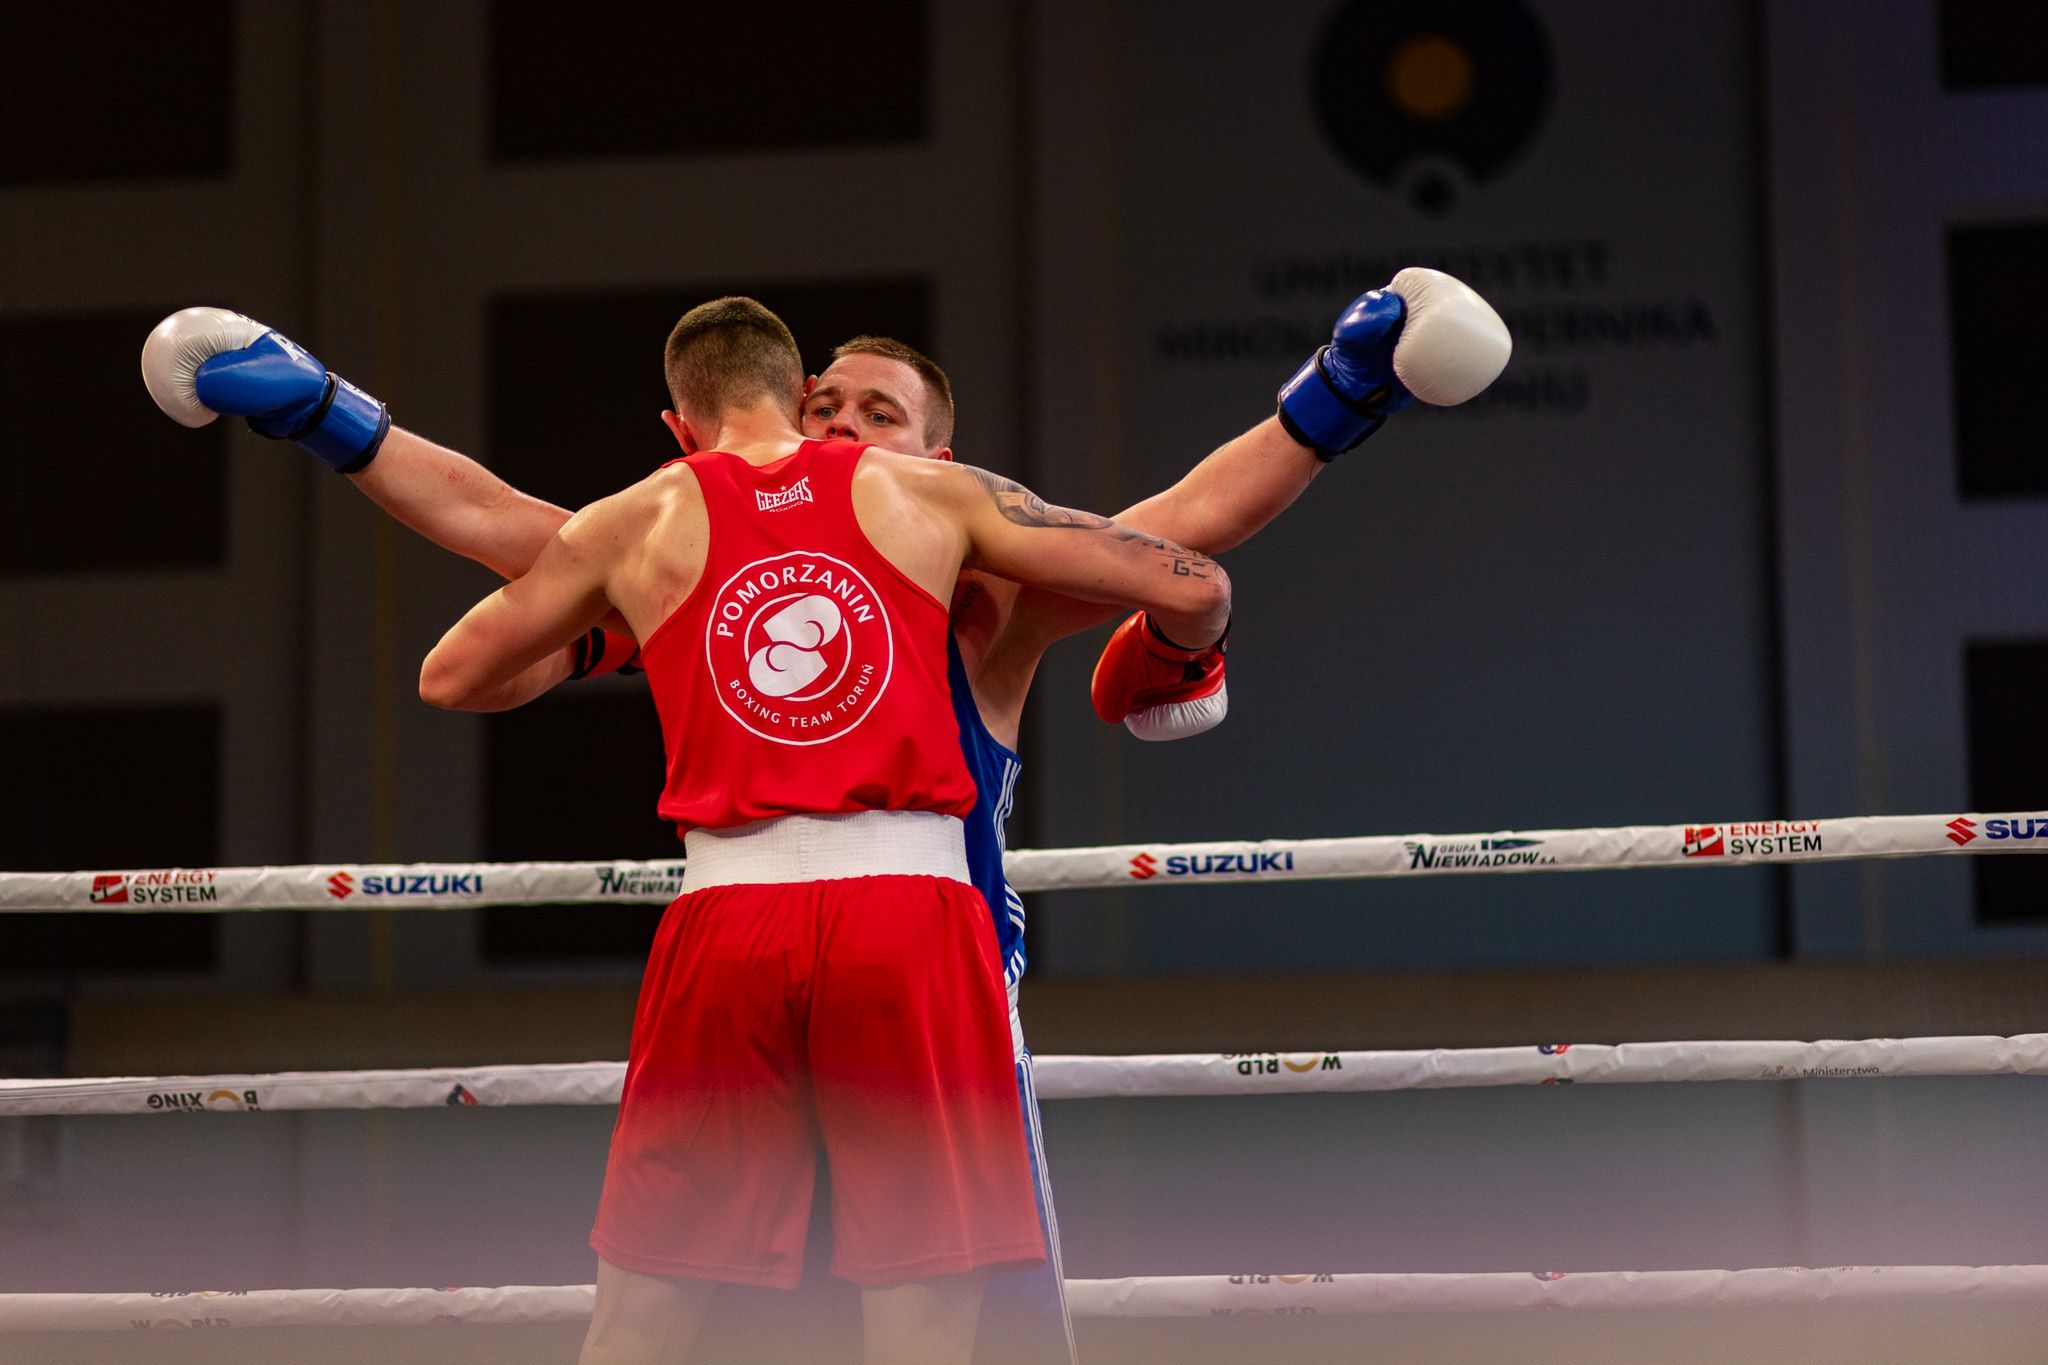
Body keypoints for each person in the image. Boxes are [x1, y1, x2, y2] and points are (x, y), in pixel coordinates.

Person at [138, 271, 1507, 1362]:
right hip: (840, 958)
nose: (844, 426)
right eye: (825, 402)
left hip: (927, 979)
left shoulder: (991, 591)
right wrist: (322, 412)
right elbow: (510, 526)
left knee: (946, 1331)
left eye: (879, 411)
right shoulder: (697, 528)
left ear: (940, 456)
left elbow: (1185, 520)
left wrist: (1346, 393)